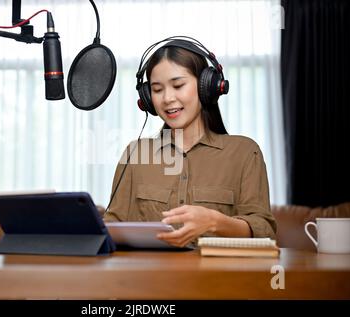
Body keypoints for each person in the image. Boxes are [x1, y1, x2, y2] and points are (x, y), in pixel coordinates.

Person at [104, 37, 276, 248]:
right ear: (147, 98)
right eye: (157, 90)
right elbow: (110, 228)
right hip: (148, 278)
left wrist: (215, 222)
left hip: (218, 279)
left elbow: (264, 231)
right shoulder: (136, 153)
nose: (167, 98)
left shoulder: (244, 152)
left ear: (207, 87)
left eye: (178, 85)